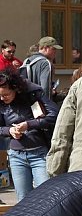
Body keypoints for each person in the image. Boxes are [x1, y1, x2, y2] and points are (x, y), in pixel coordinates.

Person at [0, 69, 59, 200]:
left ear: (15, 89)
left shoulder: (32, 94)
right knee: (23, 200)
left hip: (39, 154)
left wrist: (28, 124)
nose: (2, 99)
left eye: (6, 95)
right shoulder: (1, 103)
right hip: (16, 156)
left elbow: (54, 115)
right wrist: (9, 131)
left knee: (45, 198)